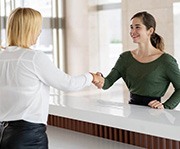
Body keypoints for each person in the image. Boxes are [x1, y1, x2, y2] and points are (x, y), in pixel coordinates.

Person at [0, 7, 101, 149]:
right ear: (28, 29)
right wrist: (91, 76)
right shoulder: (33, 58)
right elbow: (68, 84)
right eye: (37, 27)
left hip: (4, 134)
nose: (40, 32)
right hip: (28, 136)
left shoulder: (2, 57)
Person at [93, 11, 180, 110]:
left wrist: (166, 106)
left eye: (137, 27)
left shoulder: (166, 61)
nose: (132, 32)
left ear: (150, 31)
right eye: (131, 27)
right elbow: (107, 83)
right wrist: (97, 79)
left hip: (155, 116)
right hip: (131, 113)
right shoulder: (125, 58)